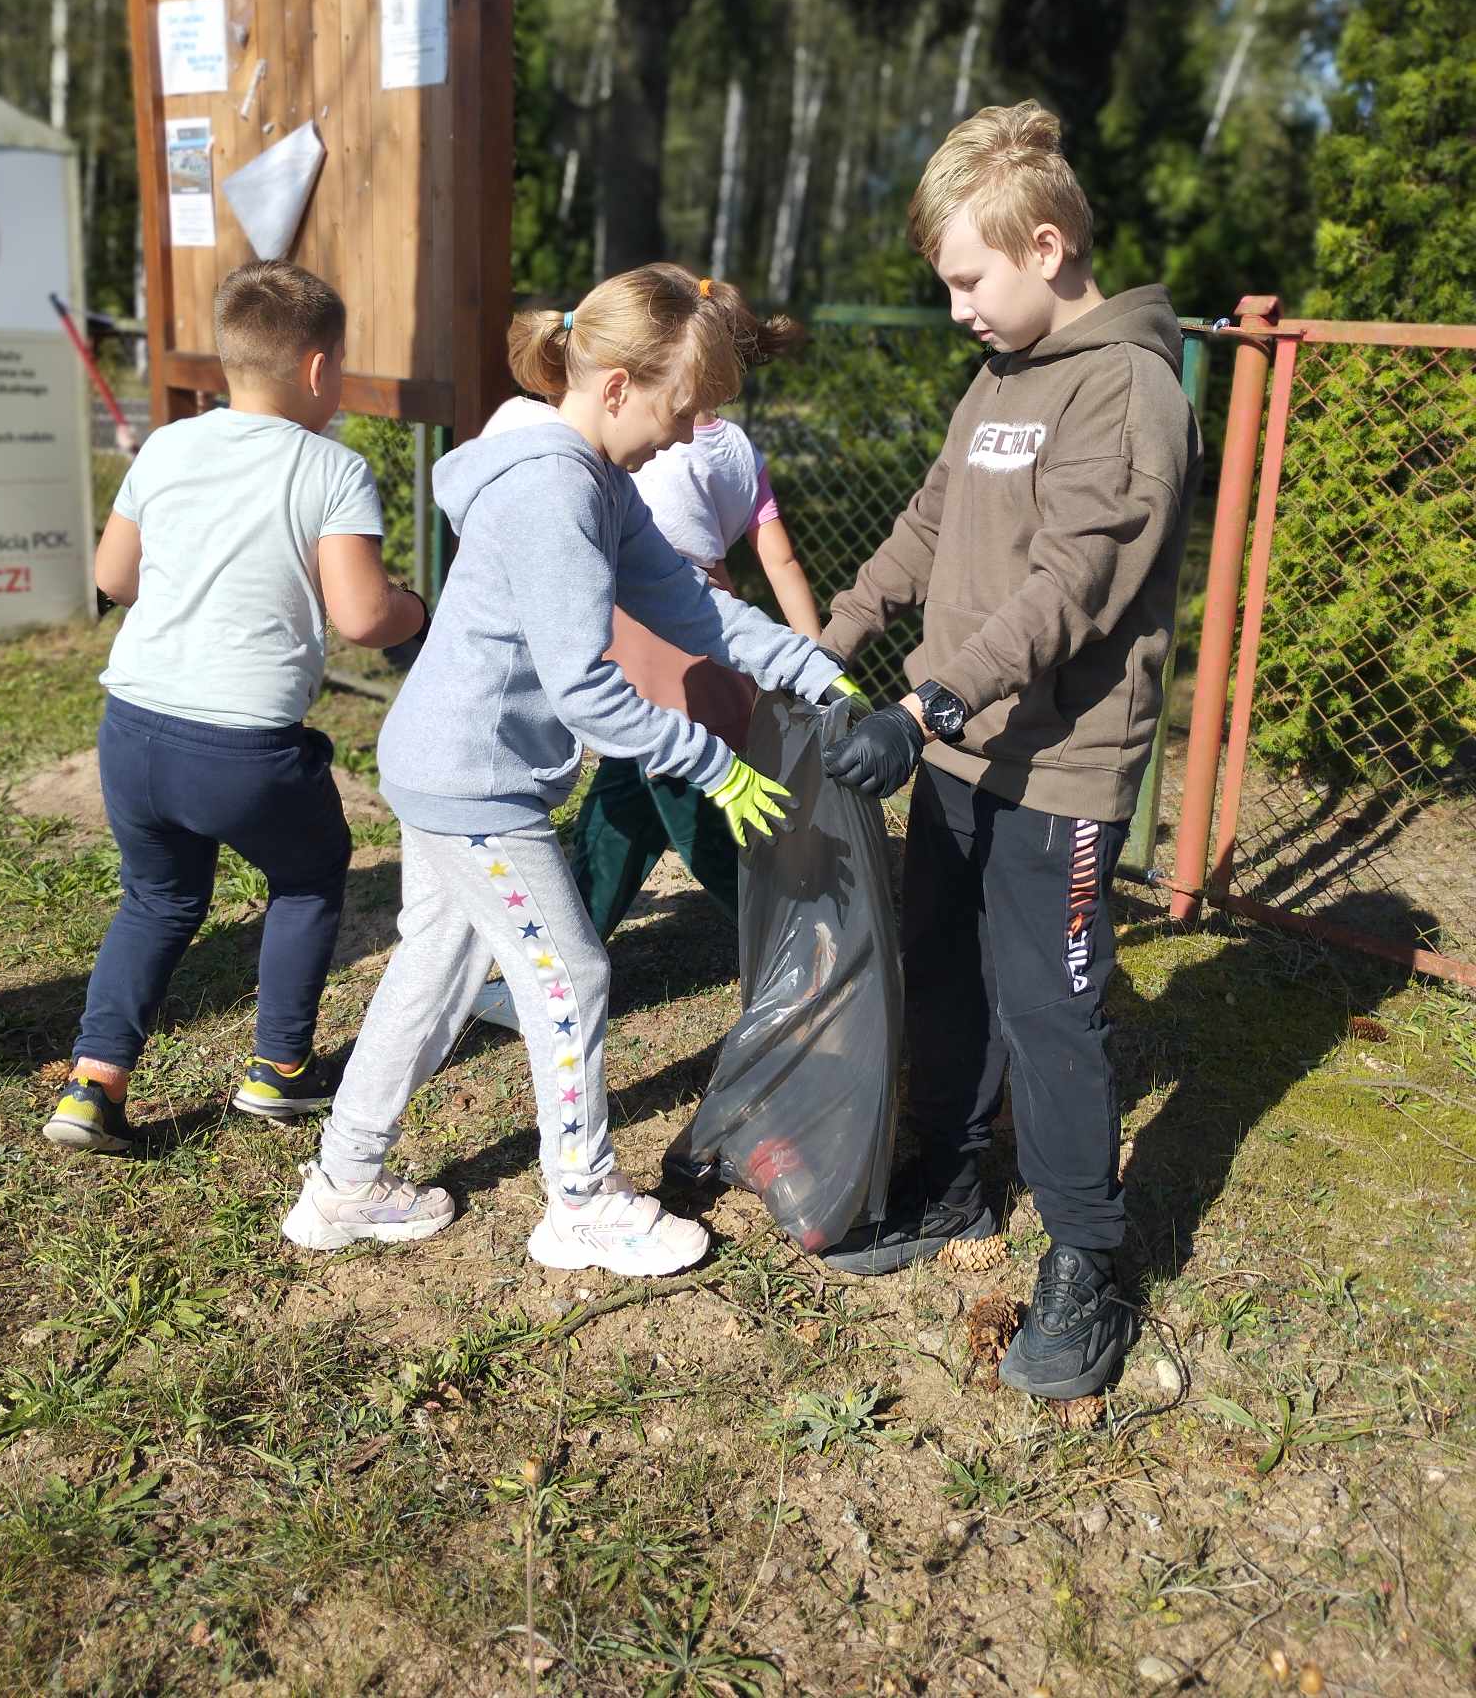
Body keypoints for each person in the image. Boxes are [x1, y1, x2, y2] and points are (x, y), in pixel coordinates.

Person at [282, 265, 854, 1276]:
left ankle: (344, 1182)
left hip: (451, 763)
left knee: (435, 966)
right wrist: (712, 767)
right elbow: (585, 689)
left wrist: (812, 668)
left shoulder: (594, 479)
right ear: (621, 387)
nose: (686, 437)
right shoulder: (555, 488)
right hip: (472, 780)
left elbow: (692, 607)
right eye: (681, 410)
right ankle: (581, 1202)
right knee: (572, 972)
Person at [817, 101, 1202, 1402]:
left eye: (970, 280)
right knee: (944, 973)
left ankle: (1090, 1255)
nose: (958, 309)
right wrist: (839, 634)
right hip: (959, 754)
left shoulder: (1129, 390)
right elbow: (931, 520)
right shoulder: (999, 378)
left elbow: (1072, 587)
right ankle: (951, 1180)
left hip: (1058, 771)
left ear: (1046, 248)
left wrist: (927, 704)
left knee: (1053, 1013)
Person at [43, 261, 429, 1155]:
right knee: (308, 874)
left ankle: (93, 1086)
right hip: (245, 747)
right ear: (321, 369)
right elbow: (362, 616)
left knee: (157, 898)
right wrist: (414, 610)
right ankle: (281, 1069)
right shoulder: (333, 468)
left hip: (132, 727)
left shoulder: (167, 446)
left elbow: (113, 577)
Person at [469, 324, 822, 1030]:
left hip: (659, 641)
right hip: (696, 636)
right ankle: (549, 972)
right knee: (623, 807)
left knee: (699, 816)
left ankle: (797, 952)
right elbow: (772, 559)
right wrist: (809, 652)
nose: (677, 436)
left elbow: (651, 575)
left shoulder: (637, 436)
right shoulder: (733, 446)